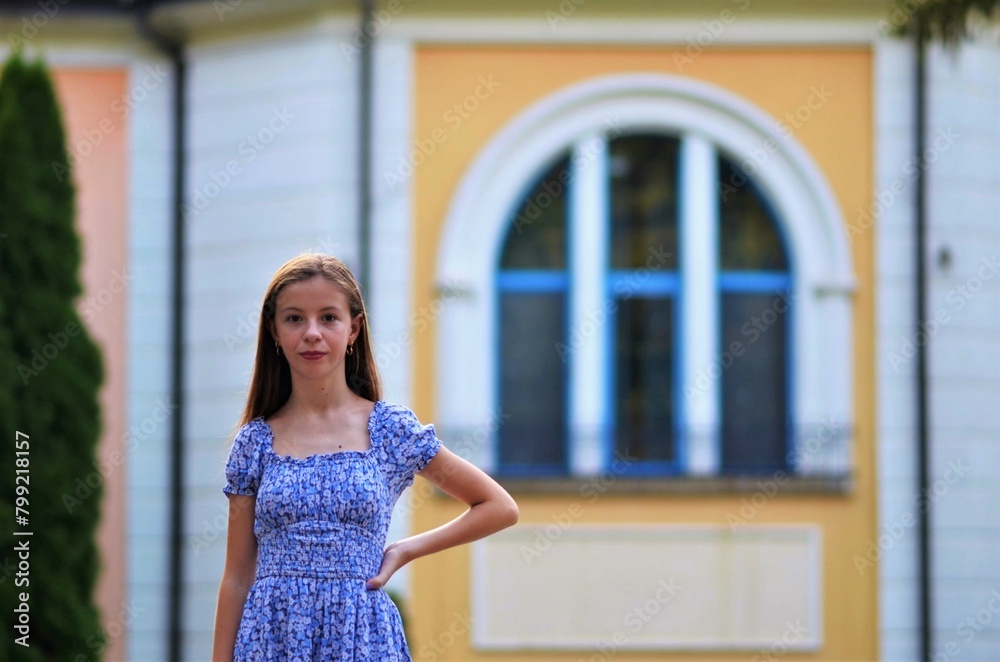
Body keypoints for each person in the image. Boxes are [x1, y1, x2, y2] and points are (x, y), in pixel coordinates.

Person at [211, 253, 518, 661]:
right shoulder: (254, 444)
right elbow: (236, 576)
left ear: (354, 328)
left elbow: (498, 506)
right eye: (294, 318)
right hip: (272, 638)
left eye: (329, 318)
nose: (312, 333)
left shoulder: (390, 430)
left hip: (362, 637)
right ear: (274, 331)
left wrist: (404, 550)